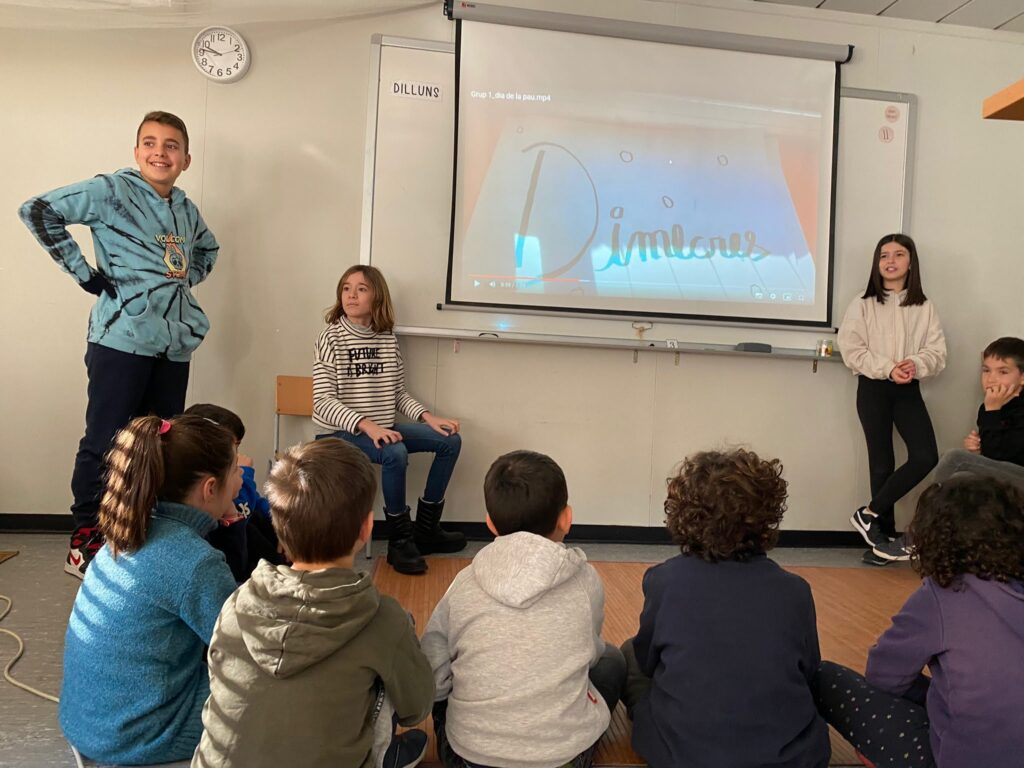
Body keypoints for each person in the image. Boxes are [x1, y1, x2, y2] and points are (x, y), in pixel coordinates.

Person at [18, 111, 219, 579]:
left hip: (173, 346)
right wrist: (85, 275)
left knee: (160, 445)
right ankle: (86, 541)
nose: (159, 152)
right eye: (150, 143)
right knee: (106, 442)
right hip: (120, 341)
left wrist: (180, 282)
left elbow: (208, 250)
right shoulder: (111, 191)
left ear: (186, 159)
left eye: (171, 145)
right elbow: (38, 210)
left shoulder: (185, 209)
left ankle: (142, 536)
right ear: (136, 152)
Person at [192, 438, 434, 768]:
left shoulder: (236, 603)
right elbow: (416, 709)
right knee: (395, 641)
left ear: (277, 527)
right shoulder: (383, 618)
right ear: (366, 528)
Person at [620, 449, 830, 768]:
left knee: (628, 654)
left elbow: (648, 660)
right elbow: (809, 668)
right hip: (791, 758)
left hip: (681, 755)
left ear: (683, 516)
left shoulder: (664, 580)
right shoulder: (795, 590)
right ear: (766, 519)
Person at [421, 450, 625, 768]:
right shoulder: (586, 581)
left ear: (490, 523)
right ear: (566, 518)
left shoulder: (464, 583)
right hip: (563, 758)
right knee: (612, 660)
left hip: (469, 757)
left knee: (443, 682)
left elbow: (433, 668)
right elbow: (591, 654)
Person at [59, 414, 239, 765]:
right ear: (210, 488)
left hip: (86, 724)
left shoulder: (130, 528)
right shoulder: (195, 561)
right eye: (235, 471)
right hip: (141, 738)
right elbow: (242, 648)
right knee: (270, 688)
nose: (241, 479)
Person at [814, 475, 1024, 768]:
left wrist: (936, 694)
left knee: (825, 677)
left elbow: (884, 676)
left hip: (961, 758)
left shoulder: (942, 594)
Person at [313, 264, 464, 575]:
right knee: (395, 452)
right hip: (339, 435)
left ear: (377, 297)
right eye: (346, 288)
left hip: (383, 430)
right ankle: (399, 541)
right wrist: (368, 426)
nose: (351, 295)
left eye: (361, 289)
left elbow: (397, 394)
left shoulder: (386, 338)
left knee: (450, 441)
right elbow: (322, 403)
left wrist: (427, 417)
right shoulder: (331, 338)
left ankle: (426, 532)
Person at [838, 233, 945, 566]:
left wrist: (915, 364)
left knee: (925, 455)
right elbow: (851, 349)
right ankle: (881, 543)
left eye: (898, 254)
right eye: (884, 255)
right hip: (873, 388)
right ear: (877, 262)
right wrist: (888, 368)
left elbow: (937, 352)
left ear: (910, 262)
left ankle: (868, 514)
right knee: (881, 464)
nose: (890, 261)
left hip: (907, 389)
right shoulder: (862, 303)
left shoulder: (924, 305)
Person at [184, 402, 288, 581]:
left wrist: (284, 523)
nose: (237, 456)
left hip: (252, 559)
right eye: (232, 447)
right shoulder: (205, 494)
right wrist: (245, 474)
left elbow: (257, 504)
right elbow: (244, 509)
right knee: (252, 526)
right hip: (239, 570)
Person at [933, 336, 1024, 488]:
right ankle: (935, 502)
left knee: (955, 458)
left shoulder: (992, 407)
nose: (991, 379)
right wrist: (980, 447)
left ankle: (929, 502)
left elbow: (999, 456)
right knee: (961, 478)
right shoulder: (990, 405)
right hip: (1008, 475)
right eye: (986, 370)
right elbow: (993, 456)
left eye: (1003, 372)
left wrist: (992, 412)